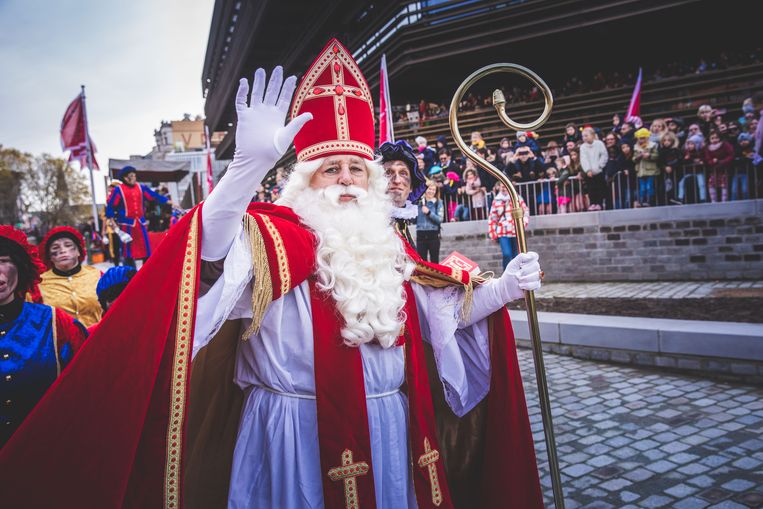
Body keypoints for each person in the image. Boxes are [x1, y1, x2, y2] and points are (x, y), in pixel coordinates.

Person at [0, 41, 545, 509]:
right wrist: (246, 169)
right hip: (292, 434)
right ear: (304, 182)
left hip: (390, 430)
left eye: (358, 168)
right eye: (331, 168)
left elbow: (440, 320)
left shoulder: (388, 245)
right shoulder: (273, 235)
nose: (347, 179)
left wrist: (503, 289)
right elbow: (207, 248)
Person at [0, 225, 87, 447]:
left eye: (3, 261)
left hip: (46, 451)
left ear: (19, 266)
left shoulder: (55, 322)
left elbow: (88, 385)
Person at [105, 165, 170, 268]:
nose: (134, 178)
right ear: (125, 178)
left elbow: (153, 196)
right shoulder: (118, 190)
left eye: (135, 176)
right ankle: (130, 273)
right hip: (126, 224)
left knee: (146, 249)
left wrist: (167, 201)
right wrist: (112, 221)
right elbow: (111, 207)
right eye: (131, 176)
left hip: (140, 223)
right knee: (128, 252)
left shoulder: (141, 188)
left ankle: (147, 270)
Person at [38, 226, 102, 328]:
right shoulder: (39, 283)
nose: (63, 250)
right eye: (55, 248)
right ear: (50, 256)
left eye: (68, 245)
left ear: (78, 251)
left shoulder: (98, 276)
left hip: (97, 338)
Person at [378, 140, 426, 245]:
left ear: (411, 187)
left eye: (403, 173)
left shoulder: (402, 224)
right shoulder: (369, 225)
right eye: (388, 173)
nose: (397, 180)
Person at [488, 183, 529, 269]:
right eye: (502, 187)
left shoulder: (517, 198)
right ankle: (506, 276)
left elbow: (525, 211)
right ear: (499, 187)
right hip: (502, 231)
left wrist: (523, 224)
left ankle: (516, 276)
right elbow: (492, 218)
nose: (504, 188)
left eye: (506, 186)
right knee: (507, 254)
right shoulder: (496, 200)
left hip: (516, 231)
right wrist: (492, 233)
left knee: (516, 255)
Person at [579, 127, 608, 210]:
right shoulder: (583, 147)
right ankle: (592, 203)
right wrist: (588, 170)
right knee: (591, 188)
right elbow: (583, 159)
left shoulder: (599, 144)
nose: (584, 138)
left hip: (599, 170)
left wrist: (599, 166)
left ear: (592, 135)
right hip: (589, 172)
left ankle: (599, 203)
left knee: (599, 187)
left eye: (586, 135)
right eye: (583, 136)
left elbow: (604, 155)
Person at [416, 180, 444, 263]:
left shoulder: (438, 202)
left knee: (435, 261)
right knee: (422, 262)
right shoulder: (419, 202)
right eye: (429, 189)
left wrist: (429, 213)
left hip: (433, 234)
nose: (431, 191)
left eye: (433, 189)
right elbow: (413, 218)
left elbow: (440, 219)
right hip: (420, 234)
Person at [704, 130, 734, 203]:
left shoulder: (725, 145)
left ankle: (724, 201)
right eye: (712, 138)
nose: (714, 140)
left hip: (724, 169)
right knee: (711, 184)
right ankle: (713, 201)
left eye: (716, 138)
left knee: (724, 185)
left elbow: (731, 155)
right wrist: (712, 161)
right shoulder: (708, 148)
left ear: (720, 138)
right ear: (709, 139)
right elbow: (707, 159)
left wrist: (722, 161)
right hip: (714, 170)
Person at [634, 128, 660, 207]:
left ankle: (650, 201)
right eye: (640, 138)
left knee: (649, 187)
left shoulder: (652, 145)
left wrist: (649, 156)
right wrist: (638, 157)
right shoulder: (636, 147)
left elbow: (657, 156)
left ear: (647, 137)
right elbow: (633, 159)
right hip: (641, 171)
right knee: (642, 188)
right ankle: (643, 201)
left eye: (643, 138)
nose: (642, 140)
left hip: (650, 171)